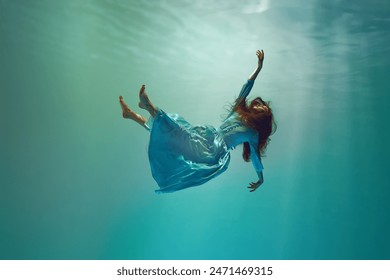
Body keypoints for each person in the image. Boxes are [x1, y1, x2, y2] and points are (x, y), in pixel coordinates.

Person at [119, 50, 276, 194]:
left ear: (263, 117)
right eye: (261, 103)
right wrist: (258, 68)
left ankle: (150, 107)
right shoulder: (238, 110)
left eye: (264, 108)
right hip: (207, 135)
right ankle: (131, 115)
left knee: (178, 134)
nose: (261, 105)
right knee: (174, 133)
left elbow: (255, 157)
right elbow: (246, 87)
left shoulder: (253, 133)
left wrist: (261, 178)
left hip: (213, 151)